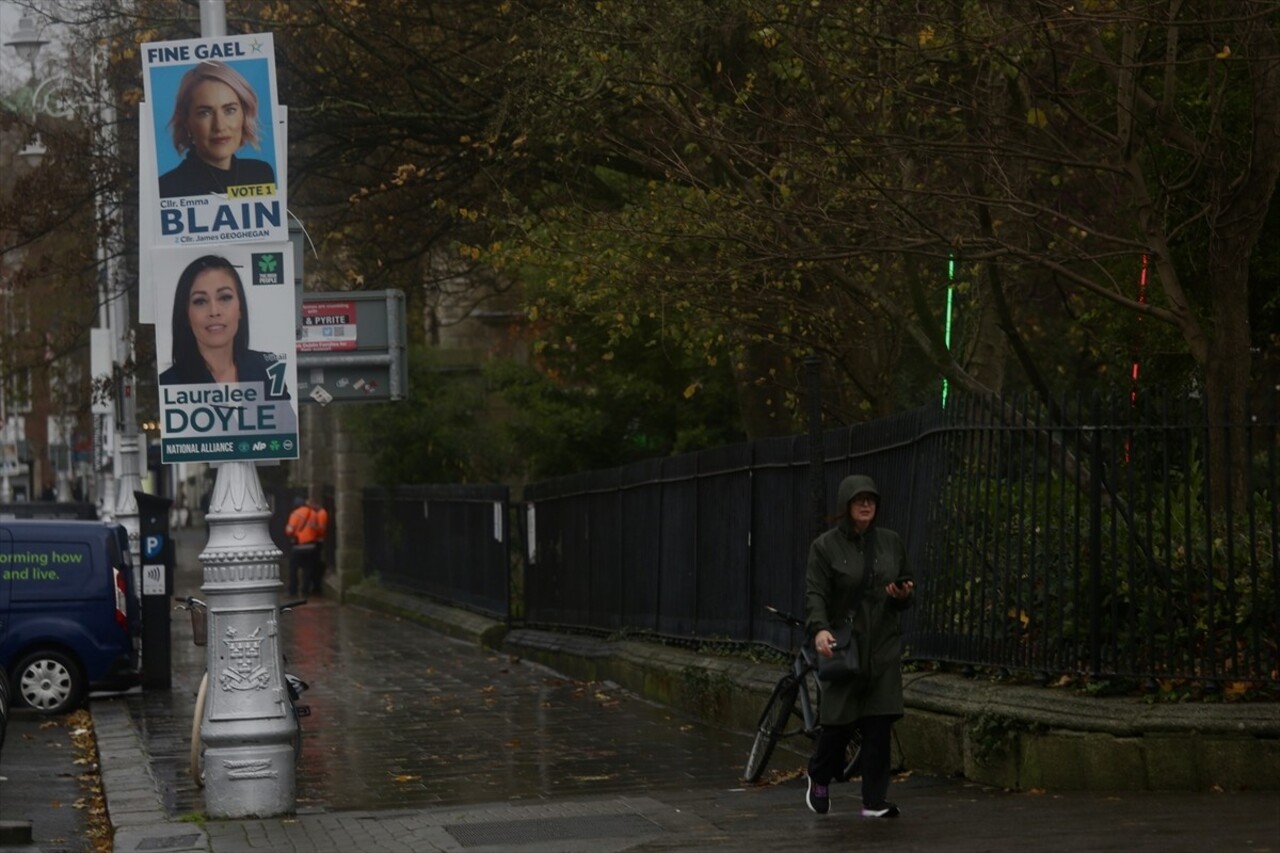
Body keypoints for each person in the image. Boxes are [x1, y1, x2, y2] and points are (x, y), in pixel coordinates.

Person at [804, 473, 915, 818]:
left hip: (882, 645)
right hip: (846, 646)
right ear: (846, 506)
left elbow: (904, 586)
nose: (866, 505)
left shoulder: (891, 541)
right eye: (858, 500)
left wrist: (902, 595)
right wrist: (820, 630)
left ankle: (873, 800)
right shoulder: (825, 547)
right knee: (838, 725)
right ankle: (819, 777)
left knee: (879, 724)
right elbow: (816, 594)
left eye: (871, 499)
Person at [158, 254, 290, 399]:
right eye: (200, 301)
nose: (214, 312)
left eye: (225, 297)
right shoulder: (169, 382)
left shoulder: (268, 369)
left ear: (240, 309)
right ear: (186, 315)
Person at [158, 60, 276, 198]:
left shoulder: (260, 174)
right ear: (187, 122)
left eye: (230, 110)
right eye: (205, 113)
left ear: (244, 115)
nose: (219, 126)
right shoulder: (166, 189)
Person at [285, 494, 328, 597]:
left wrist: (293, 534)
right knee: (308, 568)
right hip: (312, 545)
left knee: (293, 568)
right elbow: (318, 530)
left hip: (298, 546)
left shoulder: (295, 514)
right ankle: (305, 590)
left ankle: (293, 591)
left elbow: (289, 531)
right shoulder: (313, 513)